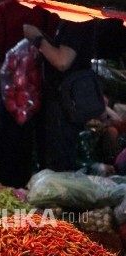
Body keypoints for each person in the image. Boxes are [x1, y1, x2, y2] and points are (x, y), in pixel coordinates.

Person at [23, 17, 126, 172]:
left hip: (65, 101)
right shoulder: (78, 20)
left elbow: (62, 61)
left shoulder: (76, 21)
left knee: (60, 163)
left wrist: (37, 38)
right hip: (69, 100)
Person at [0, 0, 60, 188]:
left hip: (12, 93)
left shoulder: (3, 8)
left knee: (10, 148)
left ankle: (10, 193)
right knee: (44, 148)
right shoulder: (49, 10)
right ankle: (40, 194)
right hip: (41, 92)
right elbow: (54, 45)